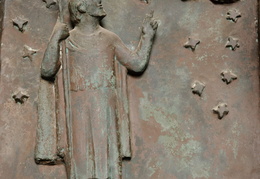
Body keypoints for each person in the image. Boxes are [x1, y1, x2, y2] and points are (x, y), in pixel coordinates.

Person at [40, 0, 158, 178]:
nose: (100, 2)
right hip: (77, 108)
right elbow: (47, 70)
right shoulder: (67, 40)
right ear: (82, 7)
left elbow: (137, 64)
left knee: (106, 157)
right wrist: (55, 37)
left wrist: (147, 37)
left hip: (105, 106)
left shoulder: (110, 38)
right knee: (80, 158)